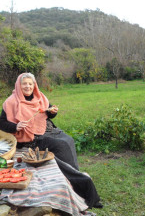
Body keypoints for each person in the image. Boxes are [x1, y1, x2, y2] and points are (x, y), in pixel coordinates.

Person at [0, 73, 103, 209]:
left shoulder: (40, 97)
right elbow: (2, 123)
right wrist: (15, 126)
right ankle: (79, 185)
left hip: (48, 130)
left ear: (34, 85)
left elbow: (49, 113)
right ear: (19, 85)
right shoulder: (11, 102)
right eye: (24, 83)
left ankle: (76, 175)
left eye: (30, 83)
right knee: (61, 145)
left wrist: (53, 112)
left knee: (69, 140)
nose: (28, 86)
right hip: (32, 138)